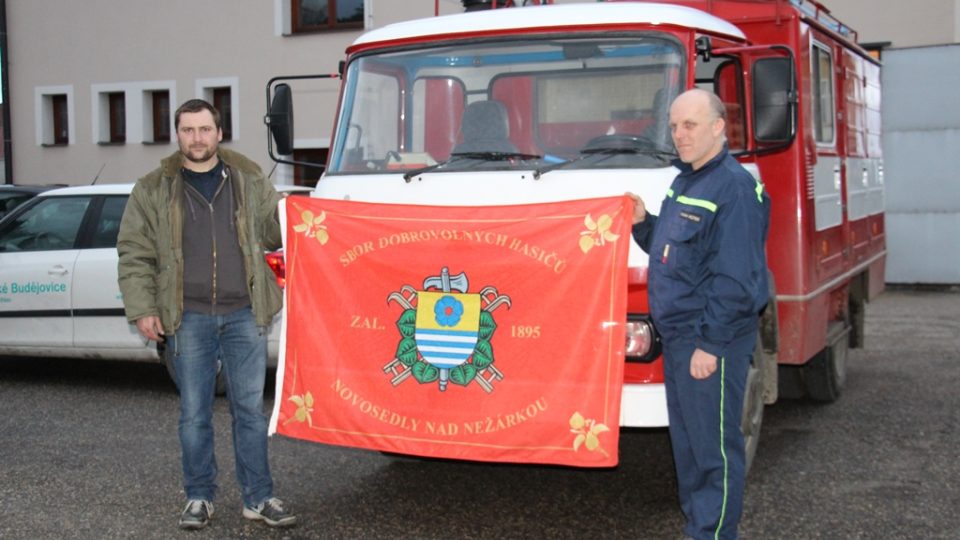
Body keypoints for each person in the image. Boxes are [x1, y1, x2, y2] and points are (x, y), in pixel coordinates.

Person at [117, 99, 296, 530]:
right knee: (194, 415)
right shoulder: (153, 188)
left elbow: (278, 232)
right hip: (187, 317)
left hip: (243, 314)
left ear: (219, 132)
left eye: (204, 129)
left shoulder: (250, 180)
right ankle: (199, 497)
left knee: (249, 413)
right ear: (176, 135)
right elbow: (134, 252)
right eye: (187, 130)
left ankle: (258, 497)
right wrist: (143, 308)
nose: (196, 138)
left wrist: (293, 211)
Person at [628, 88, 770, 539]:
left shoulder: (734, 188)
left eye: (689, 125)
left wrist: (710, 344)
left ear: (716, 127)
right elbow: (675, 254)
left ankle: (712, 534)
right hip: (680, 339)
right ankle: (698, 527)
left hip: (712, 341)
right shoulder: (687, 180)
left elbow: (737, 280)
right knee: (688, 448)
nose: (679, 135)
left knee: (714, 453)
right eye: (673, 126)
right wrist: (643, 222)